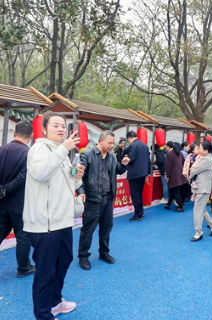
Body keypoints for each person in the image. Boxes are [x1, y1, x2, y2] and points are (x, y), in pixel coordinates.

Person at [23, 112, 85, 320]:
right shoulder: (39, 148)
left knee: (64, 260)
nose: (60, 129)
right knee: (45, 271)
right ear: (44, 129)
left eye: (63, 126)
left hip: (62, 220)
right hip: (44, 223)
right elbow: (40, 173)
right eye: (55, 125)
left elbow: (65, 184)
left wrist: (76, 177)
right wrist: (63, 150)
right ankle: (42, 315)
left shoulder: (61, 152)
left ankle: (55, 302)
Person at [77, 131, 129, 270]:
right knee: (88, 229)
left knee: (106, 228)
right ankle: (83, 256)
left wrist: (123, 164)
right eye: (110, 143)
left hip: (108, 197)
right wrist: (81, 192)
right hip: (93, 199)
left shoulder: (112, 156)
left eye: (113, 143)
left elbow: (117, 170)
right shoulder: (87, 155)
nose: (112, 146)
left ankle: (104, 252)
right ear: (101, 141)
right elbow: (79, 177)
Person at [0, 121, 34, 278]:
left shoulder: (2, 149)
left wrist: (2, 190)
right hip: (19, 203)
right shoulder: (29, 153)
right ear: (31, 135)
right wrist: (6, 189)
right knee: (23, 236)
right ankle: (23, 268)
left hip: (2, 202)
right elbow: (23, 177)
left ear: (14, 133)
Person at [189, 141, 212, 241]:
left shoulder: (206, 160)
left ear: (206, 150)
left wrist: (191, 171)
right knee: (201, 209)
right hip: (203, 188)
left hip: (202, 188)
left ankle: (198, 232)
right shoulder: (207, 158)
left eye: (200, 148)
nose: (199, 149)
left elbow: (193, 170)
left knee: (197, 210)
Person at [125, 131, 150, 221]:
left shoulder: (133, 145)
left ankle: (138, 214)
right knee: (139, 193)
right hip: (143, 173)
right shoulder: (144, 145)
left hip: (135, 174)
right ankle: (140, 212)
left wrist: (126, 157)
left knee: (135, 195)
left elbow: (130, 159)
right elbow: (148, 160)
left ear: (129, 138)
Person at [164, 141, 187, 212]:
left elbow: (168, 166)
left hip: (173, 175)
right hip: (179, 174)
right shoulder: (180, 153)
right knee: (172, 190)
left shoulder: (169, 154)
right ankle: (168, 204)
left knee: (176, 191)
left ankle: (180, 207)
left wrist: (167, 176)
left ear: (168, 146)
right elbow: (183, 162)